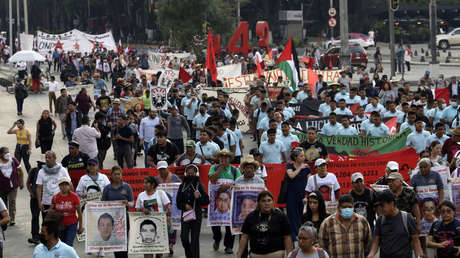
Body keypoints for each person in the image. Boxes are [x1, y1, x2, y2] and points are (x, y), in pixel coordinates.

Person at [237, 191, 293, 258]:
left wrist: (290, 256)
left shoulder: (281, 216)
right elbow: (244, 237)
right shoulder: (251, 216)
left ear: (273, 202)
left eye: (269, 200)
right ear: (259, 203)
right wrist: (239, 255)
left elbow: (287, 237)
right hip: (256, 255)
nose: (267, 203)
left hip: (276, 254)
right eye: (263, 201)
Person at [367, 190, 421, 258]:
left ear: (391, 203)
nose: (380, 209)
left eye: (382, 205)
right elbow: (376, 241)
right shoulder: (380, 220)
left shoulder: (407, 218)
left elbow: (415, 240)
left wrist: (418, 256)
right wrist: (371, 254)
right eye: (379, 206)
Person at [208, 149, 241, 254]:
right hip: (216, 201)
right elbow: (212, 179)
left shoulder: (235, 170)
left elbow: (238, 183)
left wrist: (228, 186)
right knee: (216, 225)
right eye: (221, 157)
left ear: (230, 159)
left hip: (229, 201)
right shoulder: (214, 168)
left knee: (229, 225)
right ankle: (217, 239)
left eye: (226, 157)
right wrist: (221, 168)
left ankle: (228, 246)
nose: (223, 159)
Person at [176, 164, 210, 258]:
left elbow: (206, 201)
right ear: (185, 173)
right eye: (189, 173)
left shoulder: (200, 185)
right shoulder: (182, 186)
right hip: (186, 215)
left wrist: (198, 197)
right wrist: (185, 206)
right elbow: (178, 203)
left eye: (192, 173)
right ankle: (189, 255)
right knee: (184, 238)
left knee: (194, 240)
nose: (190, 174)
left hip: (197, 215)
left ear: (196, 173)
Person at [101, 166, 134, 258]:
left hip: (124, 219)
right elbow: (102, 203)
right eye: (115, 174)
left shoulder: (127, 187)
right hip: (111, 220)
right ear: (111, 176)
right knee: (115, 241)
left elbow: (132, 204)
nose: (117, 176)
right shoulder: (107, 188)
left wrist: (127, 203)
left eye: (119, 174)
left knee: (124, 241)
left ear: (121, 175)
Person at [135, 175, 171, 258]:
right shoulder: (141, 195)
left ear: (153, 184)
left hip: (160, 225)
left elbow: (168, 206)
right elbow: (136, 209)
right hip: (146, 227)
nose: (144, 185)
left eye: (146, 183)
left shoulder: (160, 193)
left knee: (159, 252)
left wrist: (168, 219)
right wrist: (142, 210)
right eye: (143, 183)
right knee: (147, 252)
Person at [36, 151, 71, 220]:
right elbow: (39, 187)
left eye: (49, 157)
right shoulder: (41, 171)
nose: (47, 159)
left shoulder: (62, 170)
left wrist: (69, 199)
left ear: (55, 158)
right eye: (46, 157)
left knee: (60, 225)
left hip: (60, 202)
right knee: (47, 224)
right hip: (46, 202)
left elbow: (70, 185)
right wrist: (39, 202)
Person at [49, 177, 83, 247]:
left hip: (72, 224)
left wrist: (80, 227)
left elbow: (79, 213)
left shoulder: (74, 197)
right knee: (61, 245)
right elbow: (51, 213)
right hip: (60, 225)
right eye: (62, 185)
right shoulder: (55, 197)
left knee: (69, 245)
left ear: (69, 186)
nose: (64, 187)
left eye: (66, 185)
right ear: (59, 186)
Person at [285, 147, 310, 241]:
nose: (303, 157)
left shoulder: (307, 168)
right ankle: (294, 237)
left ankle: (302, 236)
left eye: (303, 155)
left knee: (302, 216)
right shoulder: (289, 165)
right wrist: (300, 168)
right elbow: (291, 176)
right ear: (295, 157)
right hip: (291, 196)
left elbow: (309, 182)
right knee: (292, 216)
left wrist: (307, 196)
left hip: (302, 196)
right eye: (301, 156)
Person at [0, 146, 24, 227]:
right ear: (1, 154)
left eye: (8, 152)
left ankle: (12, 219)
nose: (7, 154)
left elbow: (20, 171)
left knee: (12, 201)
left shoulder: (13, 160)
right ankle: (5, 218)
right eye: (5, 153)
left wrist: (21, 182)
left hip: (13, 186)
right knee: (3, 202)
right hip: (2, 187)